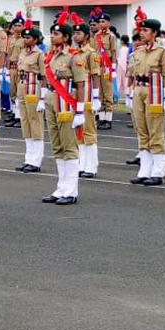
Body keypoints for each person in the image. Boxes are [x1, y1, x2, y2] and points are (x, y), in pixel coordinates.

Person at [41, 14, 87, 205]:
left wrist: (80, 111)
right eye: (52, 33)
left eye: (57, 34)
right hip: (52, 100)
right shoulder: (51, 56)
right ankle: (61, 188)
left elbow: (80, 84)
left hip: (66, 102)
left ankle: (71, 190)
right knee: (57, 146)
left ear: (66, 37)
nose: (53, 36)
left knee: (69, 147)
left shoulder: (73, 56)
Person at [126, 17, 165, 186]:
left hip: (155, 91)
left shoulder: (162, 51)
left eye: (146, 31)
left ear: (154, 33)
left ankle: (158, 172)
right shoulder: (137, 52)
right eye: (141, 30)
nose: (142, 33)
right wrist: (129, 93)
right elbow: (131, 74)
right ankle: (144, 170)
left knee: (155, 131)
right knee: (142, 130)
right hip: (139, 91)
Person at [72, 21, 102, 178]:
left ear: (86, 35)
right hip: (77, 95)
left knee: (89, 130)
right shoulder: (73, 52)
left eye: (78, 33)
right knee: (80, 131)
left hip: (88, 95)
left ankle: (92, 166)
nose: (75, 36)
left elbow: (96, 75)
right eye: (74, 33)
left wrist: (96, 97)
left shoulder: (91, 53)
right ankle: (82, 163)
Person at [16, 24, 45, 172]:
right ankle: (28, 158)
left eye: (28, 38)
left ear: (35, 40)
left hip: (34, 88)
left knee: (35, 122)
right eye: (24, 37)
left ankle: (36, 160)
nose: (25, 40)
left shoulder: (39, 54)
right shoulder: (22, 53)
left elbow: (44, 76)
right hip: (22, 87)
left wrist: (43, 98)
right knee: (25, 122)